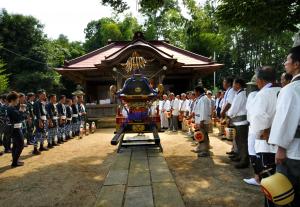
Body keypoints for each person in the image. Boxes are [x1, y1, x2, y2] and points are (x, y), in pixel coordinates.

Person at [269, 45, 300, 207]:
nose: (285, 63)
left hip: (293, 152)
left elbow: (285, 120)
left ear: (296, 64)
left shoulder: (291, 89)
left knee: (286, 195)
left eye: (287, 60)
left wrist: (280, 148)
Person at [250, 66, 281, 207]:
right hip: (283, 144)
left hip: (266, 144)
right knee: (282, 184)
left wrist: (261, 132)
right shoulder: (283, 90)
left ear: (260, 80)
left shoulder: (263, 94)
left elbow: (257, 119)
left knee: (269, 184)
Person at [227, 78, 249, 169]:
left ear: (238, 85)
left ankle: (244, 160)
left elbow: (234, 108)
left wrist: (228, 114)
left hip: (241, 122)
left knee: (242, 141)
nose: (233, 86)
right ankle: (240, 156)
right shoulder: (240, 93)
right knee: (239, 141)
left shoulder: (241, 94)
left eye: (234, 84)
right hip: (238, 121)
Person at [243, 76, 260, 186]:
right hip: (263, 127)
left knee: (253, 151)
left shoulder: (253, 95)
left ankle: (257, 177)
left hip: (255, 126)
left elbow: (249, 111)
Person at [6, 91, 25, 167]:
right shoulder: (11, 108)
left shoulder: (11, 108)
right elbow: (19, 118)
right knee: (21, 145)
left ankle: (15, 160)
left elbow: (20, 117)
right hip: (15, 129)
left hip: (15, 129)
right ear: (13, 100)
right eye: (17, 100)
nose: (18, 101)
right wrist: (21, 110)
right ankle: (14, 162)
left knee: (15, 145)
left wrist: (21, 112)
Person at [192, 86, 211, 157]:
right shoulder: (200, 98)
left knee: (203, 136)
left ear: (198, 92)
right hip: (200, 120)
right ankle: (201, 148)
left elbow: (203, 111)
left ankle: (205, 151)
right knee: (201, 135)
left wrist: (202, 122)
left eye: (195, 92)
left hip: (202, 121)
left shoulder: (204, 99)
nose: (194, 93)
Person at [33, 89, 48, 155]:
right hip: (39, 120)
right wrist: (40, 121)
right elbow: (38, 113)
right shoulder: (37, 103)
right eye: (43, 95)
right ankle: (35, 149)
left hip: (43, 119)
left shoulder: (42, 102)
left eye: (45, 94)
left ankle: (41, 146)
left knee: (43, 134)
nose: (45, 96)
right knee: (38, 134)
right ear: (39, 95)